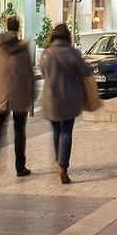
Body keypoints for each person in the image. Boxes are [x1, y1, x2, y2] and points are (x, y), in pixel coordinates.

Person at [40, 23, 93, 184]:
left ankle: (59, 161)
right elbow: (86, 71)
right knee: (67, 131)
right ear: (67, 36)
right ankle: (63, 165)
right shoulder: (73, 52)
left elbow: (43, 73)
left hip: (51, 98)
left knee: (57, 131)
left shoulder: (46, 53)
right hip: (69, 97)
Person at [0, 14, 35, 178]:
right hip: (19, 94)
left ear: (6, 26)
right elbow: (29, 73)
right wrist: (32, 93)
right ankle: (20, 167)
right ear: (18, 27)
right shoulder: (23, 48)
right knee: (19, 131)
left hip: (0, 94)